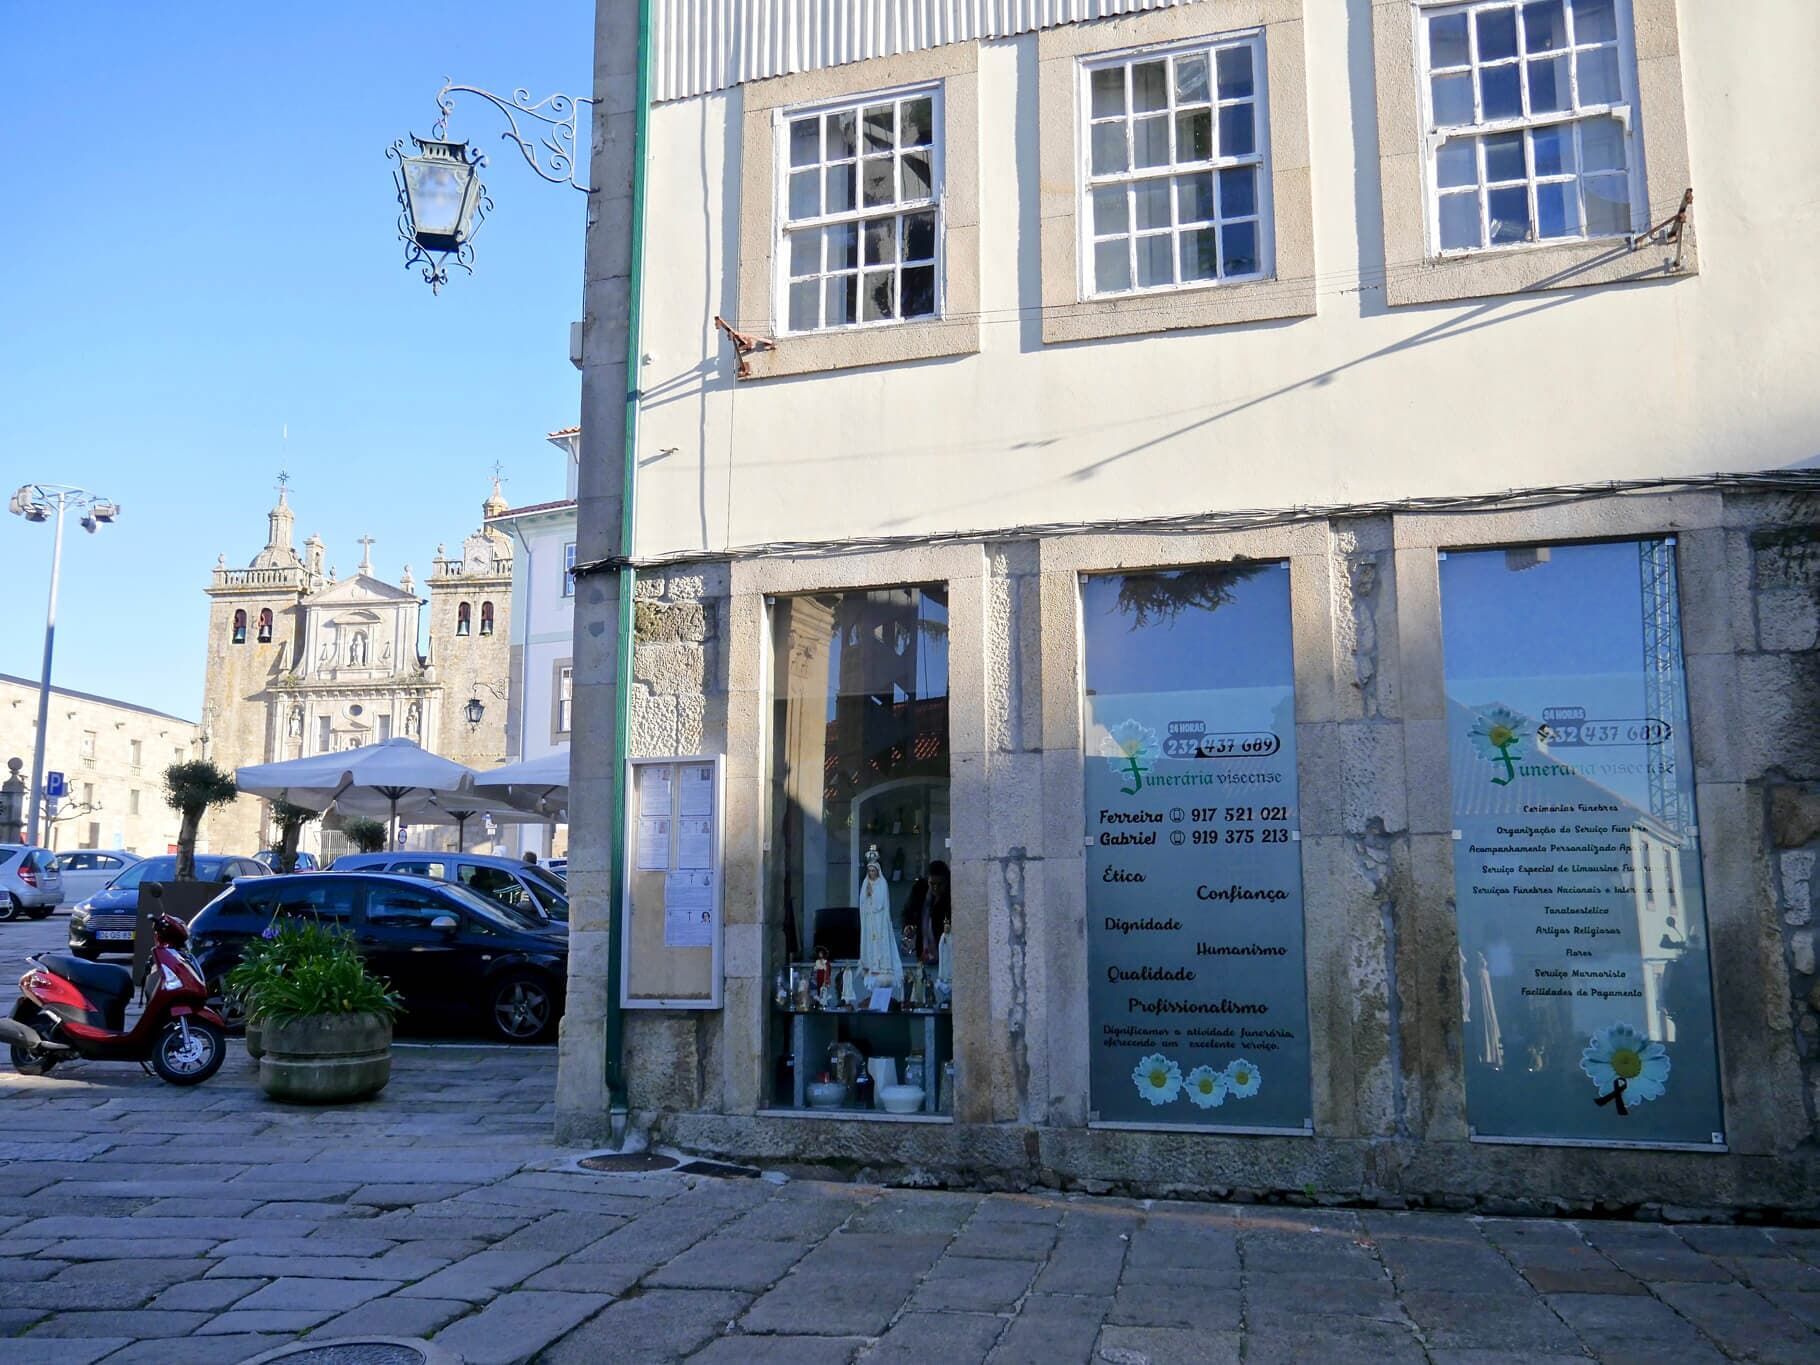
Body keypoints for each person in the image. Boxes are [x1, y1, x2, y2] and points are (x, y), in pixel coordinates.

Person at [906, 859, 951, 965]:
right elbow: (909, 911)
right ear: (927, 881)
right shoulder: (919, 891)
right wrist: (908, 925)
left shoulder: (949, 898)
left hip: (943, 953)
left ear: (946, 882)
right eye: (932, 884)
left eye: (940, 884)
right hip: (923, 951)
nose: (935, 888)